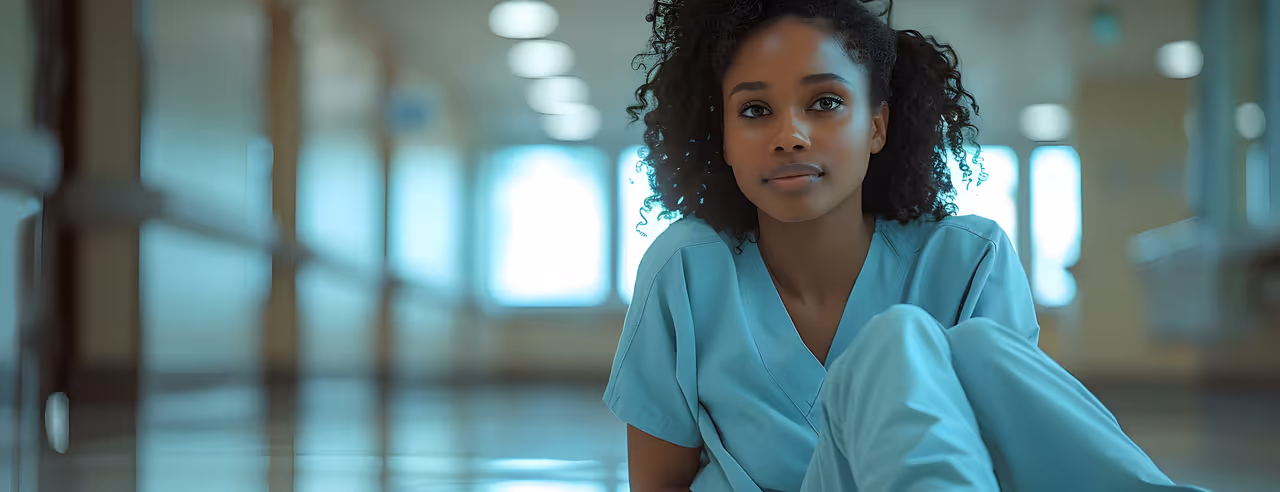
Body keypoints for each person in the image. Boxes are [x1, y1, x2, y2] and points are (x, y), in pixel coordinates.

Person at [603, 1, 1209, 491]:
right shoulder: (685, 270)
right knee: (900, 338)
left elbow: (1013, 461)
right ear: (725, 140)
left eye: (825, 103)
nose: (789, 135)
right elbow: (658, 484)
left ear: (877, 126)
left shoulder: (968, 258)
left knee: (973, 347)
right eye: (755, 110)